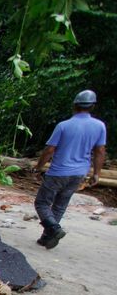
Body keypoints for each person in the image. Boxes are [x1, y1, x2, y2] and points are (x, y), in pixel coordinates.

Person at [32, 90, 107, 249]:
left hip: (58, 172)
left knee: (42, 203)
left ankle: (53, 229)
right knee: (60, 205)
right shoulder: (99, 126)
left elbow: (50, 150)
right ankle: (47, 238)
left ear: (74, 105)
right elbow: (100, 151)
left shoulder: (64, 126)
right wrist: (96, 174)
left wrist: (38, 167)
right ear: (92, 106)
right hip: (79, 173)